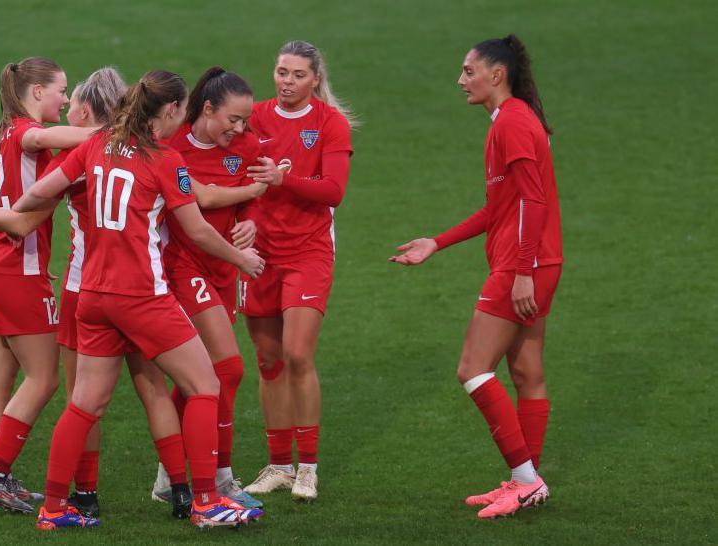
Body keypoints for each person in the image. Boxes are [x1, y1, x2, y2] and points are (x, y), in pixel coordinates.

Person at [10, 70, 265, 530]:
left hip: (92, 296)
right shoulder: (166, 160)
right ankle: (206, 501)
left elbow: (37, 193)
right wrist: (241, 259)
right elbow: (199, 230)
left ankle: (53, 508)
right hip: (142, 296)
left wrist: (10, 212)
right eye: (180, 113)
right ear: (168, 111)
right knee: (206, 385)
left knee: (85, 403)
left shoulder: (96, 143)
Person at [0, 67, 194, 519]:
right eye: (61, 94)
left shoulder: (58, 149)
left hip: (78, 289)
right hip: (141, 289)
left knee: (75, 400)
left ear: (87, 108)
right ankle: (184, 489)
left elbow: (33, 197)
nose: (66, 105)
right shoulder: (136, 154)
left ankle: (76, 492)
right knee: (155, 391)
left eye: (72, 97)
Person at [390, 34, 561, 519]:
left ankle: (527, 482)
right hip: (538, 262)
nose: (460, 80)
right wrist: (436, 242)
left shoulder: (511, 124)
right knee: (527, 373)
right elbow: (500, 207)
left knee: (472, 368)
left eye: (468, 71)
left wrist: (522, 271)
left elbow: (533, 201)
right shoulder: (515, 121)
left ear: (496, 75)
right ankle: (525, 479)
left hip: (520, 265)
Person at [0, 57, 95, 514]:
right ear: (37, 92)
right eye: (61, 90)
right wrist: (118, 135)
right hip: (15, 272)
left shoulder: (2, 132)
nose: (65, 98)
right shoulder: (24, 130)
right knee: (44, 378)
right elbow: (43, 138)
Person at [239, 40, 354, 502]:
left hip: (307, 253)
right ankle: (278, 465)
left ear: (316, 79)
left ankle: (308, 467)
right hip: (259, 254)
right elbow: (235, 176)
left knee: (298, 354)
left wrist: (283, 179)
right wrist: (243, 219)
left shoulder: (330, 123)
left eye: (297, 75)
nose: (287, 82)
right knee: (268, 362)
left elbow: (334, 190)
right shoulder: (254, 116)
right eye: (281, 72)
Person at [149, 66, 267, 509]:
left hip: (223, 272)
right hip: (183, 265)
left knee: (199, 377)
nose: (239, 130)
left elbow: (255, 201)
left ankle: (173, 471)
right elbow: (203, 198)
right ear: (207, 108)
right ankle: (218, 477)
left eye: (245, 121)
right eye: (232, 119)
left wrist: (252, 220)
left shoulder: (248, 146)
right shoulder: (171, 143)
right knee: (228, 369)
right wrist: (253, 187)